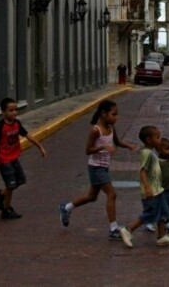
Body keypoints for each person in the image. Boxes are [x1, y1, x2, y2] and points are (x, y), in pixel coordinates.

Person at [58, 99, 137, 240]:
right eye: (113, 114)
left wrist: (130, 146)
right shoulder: (96, 130)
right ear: (103, 114)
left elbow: (117, 142)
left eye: (117, 114)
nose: (116, 117)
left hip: (104, 167)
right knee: (112, 194)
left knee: (92, 196)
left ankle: (66, 208)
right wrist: (102, 147)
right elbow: (88, 150)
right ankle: (113, 229)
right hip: (96, 167)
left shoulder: (111, 127)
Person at [120, 125, 169, 248]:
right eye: (157, 137)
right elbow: (143, 171)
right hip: (152, 192)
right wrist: (147, 188)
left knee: (163, 212)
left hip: (158, 190)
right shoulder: (147, 153)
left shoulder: (152, 153)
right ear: (148, 140)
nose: (160, 140)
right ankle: (128, 229)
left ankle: (161, 236)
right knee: (150, 213)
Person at [0, 97, 46, 220]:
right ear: (4, 112)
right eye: (10, 110)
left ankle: (0, 195)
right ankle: (7, 209)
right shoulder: (1, 126)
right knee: (11, 185)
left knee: (20, 180)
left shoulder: (17, 123)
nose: (14, 112)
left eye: (15, 110)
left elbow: (27, 135)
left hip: (14, 158)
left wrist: (40, 147)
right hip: (4, 160)